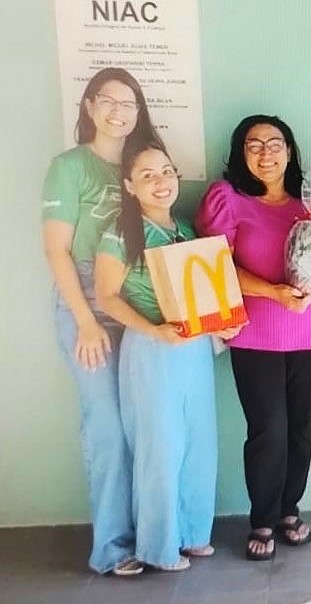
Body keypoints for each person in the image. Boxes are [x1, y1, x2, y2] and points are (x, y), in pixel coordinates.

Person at [195, 115, 311, 560]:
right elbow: (215, 266)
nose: (266, 153)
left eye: (275, 143)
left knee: (302, 428)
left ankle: (289, 510)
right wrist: (273, 292)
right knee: (268, 430)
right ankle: (262, 518)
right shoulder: (228, 200)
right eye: (254, 145)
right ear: (240, 153)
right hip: (255, 336)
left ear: (290, 151)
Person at [94, 137, 238, 572]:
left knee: (197, 443)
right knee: (161, 448)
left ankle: (192, 534)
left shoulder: (187, 231)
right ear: (129, 185)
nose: (161, 182)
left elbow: (203, 294)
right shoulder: (121, 233)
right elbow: (106, 297)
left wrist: (223, 323)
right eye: (147, 175)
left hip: (194, 351)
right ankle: (158, 546)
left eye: (166, 171)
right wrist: (154, 329)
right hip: (152, 350)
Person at [40, 67, 162, 575]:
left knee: (144, 424)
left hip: (138, 298)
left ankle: (155, 537)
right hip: (87, 302)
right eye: (108, 100)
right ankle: (112, 547)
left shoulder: (142, 163)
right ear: (89, 106)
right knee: (107, 427)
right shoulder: (69, 167)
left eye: (129, 103)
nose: (119, 111)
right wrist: (85, 321)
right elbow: (57, 250)